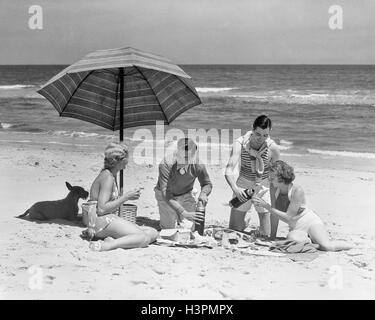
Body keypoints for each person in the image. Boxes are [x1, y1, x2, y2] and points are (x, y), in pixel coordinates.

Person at [251, 160, 352, 251]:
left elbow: (288, 218)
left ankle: (350, 246)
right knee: (291, 238)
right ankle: (310, 239)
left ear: (281, 178)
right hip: (296, 227)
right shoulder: (274, 187)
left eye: (272, 177)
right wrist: (272, 237)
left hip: (310, 221)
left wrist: (266, 206)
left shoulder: (297, 191)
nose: (269, 180)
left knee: (326, 246)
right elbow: (274, 213)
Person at [86, 142, 158, 251]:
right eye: (127, 159)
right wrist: (126, 197)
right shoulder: (108, 177)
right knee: (144, 238)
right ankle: (108, 245)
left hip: (106, 220)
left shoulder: (110, 174)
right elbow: (101, 209)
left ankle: (114, 239)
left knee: (153, 232)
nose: (128, 162)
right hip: (101, 222)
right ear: (122, 160)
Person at [225, 115, 280, 237]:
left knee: (266, 235)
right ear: (252, 129)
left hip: (263, 185)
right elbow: (229, 169)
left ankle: (258, 229)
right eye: (258, 134)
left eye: (265, 135)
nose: (261, 138)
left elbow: (276, 174)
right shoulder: (240, 143)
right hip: (243, 183)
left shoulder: (273, 148)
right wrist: (236, 189)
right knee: (234, 232)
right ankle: (243, 223)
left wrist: (274, 199)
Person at [154, 137, 213, 229]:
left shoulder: (198, 165)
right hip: (165, 195)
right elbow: (166, 193)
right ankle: (176, 215)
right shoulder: (166, 164)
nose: (187, 159)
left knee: (191, 228)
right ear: (177, 151)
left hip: (186, 194)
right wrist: (184, 212)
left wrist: (204, 193)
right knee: (169, 229)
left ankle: (179, 214)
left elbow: (207, 184)